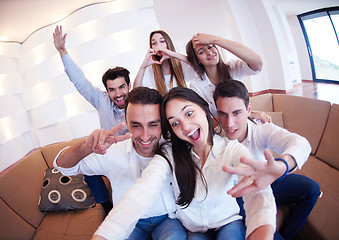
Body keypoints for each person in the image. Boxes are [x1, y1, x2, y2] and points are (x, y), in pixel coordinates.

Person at [93, 87, 278, 240]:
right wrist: (105, 235)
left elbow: (258, 196)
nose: (185, 127)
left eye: (189, 113)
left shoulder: (232, 149)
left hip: (227, 222)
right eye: (174, 123)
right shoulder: (169, 153)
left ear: (204, 110)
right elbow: (143, 191)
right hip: (194, 231)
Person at [53, 87, 187, 240]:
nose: (144, 136)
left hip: (168, 220)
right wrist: (86, 147)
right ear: (126, 121)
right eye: (136, 125)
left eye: (153, 124)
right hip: (129, 223)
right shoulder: (112, 152)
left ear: (162, 122)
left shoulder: (174, 147)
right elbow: (63, 166)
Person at [213, 80, 320, 240]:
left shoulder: (260, 129)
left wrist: (282, 165)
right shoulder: (214, 138)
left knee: (311, 189)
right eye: (223, 114)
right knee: (262, 225)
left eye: (236, 113)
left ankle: (288, 235)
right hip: (238, 194)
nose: (229, 123)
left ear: (249, 110)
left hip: (267, 180)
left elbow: (301, 143)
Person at [53, 25, 131, 214]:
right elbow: (80, 81)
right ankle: (105, 205)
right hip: (107, 155)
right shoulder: (101, 100)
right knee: (87, 164)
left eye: (122, 87)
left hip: (131, 154)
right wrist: (63, 51)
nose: (118, 94)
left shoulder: (139, 101)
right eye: (112, 89)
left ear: (129, 85)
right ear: (106, 91)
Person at [186, 33, 269, 123]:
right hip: (221, 132)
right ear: (197, 59)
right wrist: (248, 114)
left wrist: (214, 39)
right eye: (201, 52)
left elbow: (258, 63)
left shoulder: (233, 68)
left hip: (246, 126)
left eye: (210, 47)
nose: (209, 52)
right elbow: (205, 120)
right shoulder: (196, 85)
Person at [133, 30, 197, 96]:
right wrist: (143, 67)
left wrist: (173, 54)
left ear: (168, 43)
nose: (158, 45)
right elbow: (136, 91)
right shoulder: (151, 69)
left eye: (162, 41)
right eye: (154, 43)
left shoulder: (180, 64)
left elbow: (198, 66)